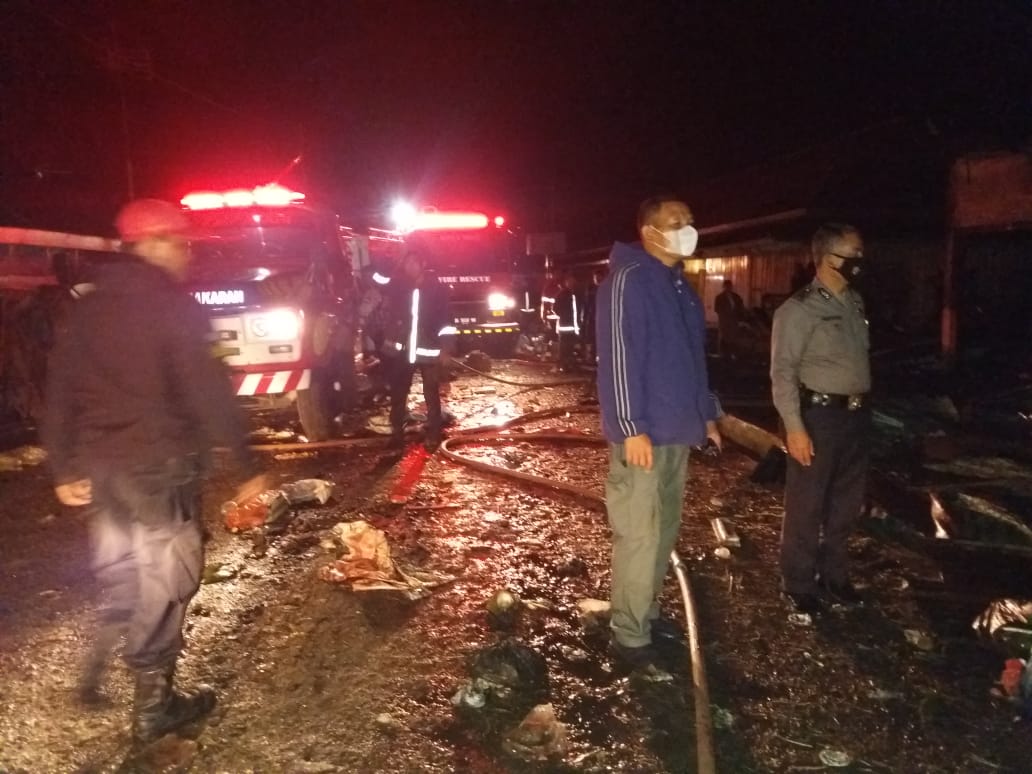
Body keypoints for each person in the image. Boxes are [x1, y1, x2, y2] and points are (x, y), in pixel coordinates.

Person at [41, 198, 267, 746]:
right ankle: (154, 706)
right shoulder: (175, 307)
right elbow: (209, 391)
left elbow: (59, 390)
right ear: (156, 243)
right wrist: (247, 464)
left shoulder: (88, 310)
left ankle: (96, 677)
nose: (187, 254)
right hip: (159, 470)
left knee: (123, 571)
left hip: (104, 471)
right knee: (169, 581)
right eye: (182, 242)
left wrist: (63, 465)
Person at [596, 195, 722, 673]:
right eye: (677, 222)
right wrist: (630, 427)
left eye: (690, 220)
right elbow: (620, 357)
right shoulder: (629, 281)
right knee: (639, 534)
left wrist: (706, 414)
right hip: (644, 434)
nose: (688, 228)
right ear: (650, 232)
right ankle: (628, 636)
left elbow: (694, 358)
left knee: (663, 529)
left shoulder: (677, 285)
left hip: (677, 432)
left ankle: (645, 611)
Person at [770, 222, 870, 616]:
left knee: (846, 505)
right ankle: (798, 581)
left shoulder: (855, 303)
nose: (860, 261)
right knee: (807, 505)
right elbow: (782, 374)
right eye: (853, 254)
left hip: (856, 417)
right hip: (819, 418)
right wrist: (794, 427)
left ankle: (835, 576)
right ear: (827, 258)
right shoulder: (798, 310)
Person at [378, 250, 450, 451]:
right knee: (399, 392)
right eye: (406, 263)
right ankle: (396, 434)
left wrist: (446, 347)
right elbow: (379, 281)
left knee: (431, 392)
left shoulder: (436, 287)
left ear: (422, 263)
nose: (409, 267)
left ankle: (434, 433)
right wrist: (388, 262)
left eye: (413, 263)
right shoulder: (399, 285)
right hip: (404, 349)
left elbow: (445, 319)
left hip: (428, 347)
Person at [553, 273, 581, 372]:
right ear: (566, 283)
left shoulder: (575, 294)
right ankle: (562, 365)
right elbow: (555, 308)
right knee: (563, 347)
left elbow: (578, 309)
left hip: (573, 326)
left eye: (573, 281)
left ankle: (569, 364)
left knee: (570, 346)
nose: (572, 283)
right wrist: (564, 316)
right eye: (570, 281)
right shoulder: (562, 294)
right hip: (565, 326)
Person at [714, 278, 745, 358]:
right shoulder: (719, 297)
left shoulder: (736, 297)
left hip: (733, 321)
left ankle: (732, 353)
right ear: (724, 287)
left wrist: (739, 318)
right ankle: (722, 354)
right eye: (726, 286)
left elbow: (740, 308)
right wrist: (725, 315)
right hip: (724, 321)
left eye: (729, 286)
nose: (728, 288)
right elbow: (717, 309)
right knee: (723, 337)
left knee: (733, 337)